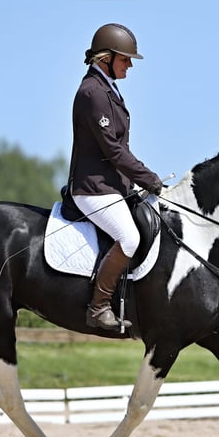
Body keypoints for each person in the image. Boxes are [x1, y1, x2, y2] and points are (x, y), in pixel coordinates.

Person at [69, 23, 163, 330]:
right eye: (125, 59)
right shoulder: (92, 93)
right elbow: (113, 150)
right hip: (93, 189)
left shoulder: (108, 89)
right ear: (105, 58)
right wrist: (149, 177)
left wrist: (136, 180)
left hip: (112, 185)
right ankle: (98, 307)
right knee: (130, 237)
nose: (130, 64)